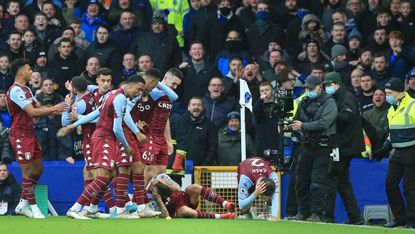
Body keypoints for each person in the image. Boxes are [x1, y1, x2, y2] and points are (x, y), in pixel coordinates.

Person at [62, 75, 146, 219]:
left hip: (103, 137)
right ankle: (76, 208)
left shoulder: (112, 95)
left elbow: (96, 113)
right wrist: (126, 146)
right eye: (138, 90)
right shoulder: (119, 99)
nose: (139, 94)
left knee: (110, 175)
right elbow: (117, 129)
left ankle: (96, 208)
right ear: (130, 85)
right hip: (103, 138)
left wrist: (74, 125)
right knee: (103, 176)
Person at [7, 59, 66, 218]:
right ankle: (33, 208)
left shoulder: (26, 89)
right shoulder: (15, 91)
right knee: (28, 172)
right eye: (28, 69)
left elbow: (38, 108)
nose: (31, 71)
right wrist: (54, 108)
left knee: (38, 170)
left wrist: (57, 111)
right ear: (20, 72)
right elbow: (32, 112)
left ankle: (22, 203)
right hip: (19, 134)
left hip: (30, 133)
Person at [288, 75, 337, 222]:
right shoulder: (304, 101)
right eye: (306, 88)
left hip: (323, 147)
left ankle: (317, 214)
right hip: (306, 146)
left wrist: (302, 126)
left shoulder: (330, 103)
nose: (308, 90)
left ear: (320, 87)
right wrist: (286, 126)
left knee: (318, 182)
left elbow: (323, 123)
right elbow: (296, 120)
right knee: (301, 181)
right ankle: (303, 212)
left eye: (311, 88)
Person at [370, 78, 415, 229]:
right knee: (390, 184)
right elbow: (393, 133)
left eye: (390, 93)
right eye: (386, 93)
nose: (387, 96)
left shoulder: (413, 105)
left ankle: (413, 220)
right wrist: (384, 148)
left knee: (410, 188)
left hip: (412, 151)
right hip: (398, 151)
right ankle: (400, 218)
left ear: (401, 93)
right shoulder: (391, 109)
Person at [322, 72, 364, 224]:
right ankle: (355, 217)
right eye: (325, 85)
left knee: (332, 178)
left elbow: (348, 116)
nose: (327, 87)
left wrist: (330, 115)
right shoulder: (339, 97)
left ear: (337, 84)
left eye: (329, 84)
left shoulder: (347, 97)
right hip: (343, 145)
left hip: (343, 146)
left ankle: (328, 216)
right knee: (342, 181)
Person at [152, 178, 235, 219]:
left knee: (194, 187)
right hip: (178, 210)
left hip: (184, 197)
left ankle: (225, 204)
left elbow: (177, 188)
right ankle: (221, 216)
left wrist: (161, 181)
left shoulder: (161, 179)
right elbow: (166, 215)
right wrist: (157, 198)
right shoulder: (153, 196)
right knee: (184, 211)